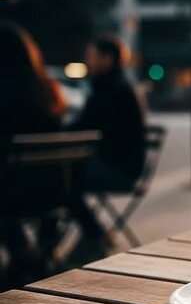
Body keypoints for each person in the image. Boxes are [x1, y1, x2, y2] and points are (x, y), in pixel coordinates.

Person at [67, 35, 145, 257]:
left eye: (91, 56)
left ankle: (93, 234)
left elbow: (84, 126)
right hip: (123, 166)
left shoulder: (110, 89)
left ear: (107, 58)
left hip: (118, 170)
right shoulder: (116, 85)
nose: (87, 61)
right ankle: (93, 234)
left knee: (64, 179)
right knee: (66, 176)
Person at [0, 22, 66, 286]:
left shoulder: (4, 96)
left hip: (10, 196)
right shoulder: (48, 91)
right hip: (54, 193)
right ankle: (33, 253)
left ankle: (22, 252)